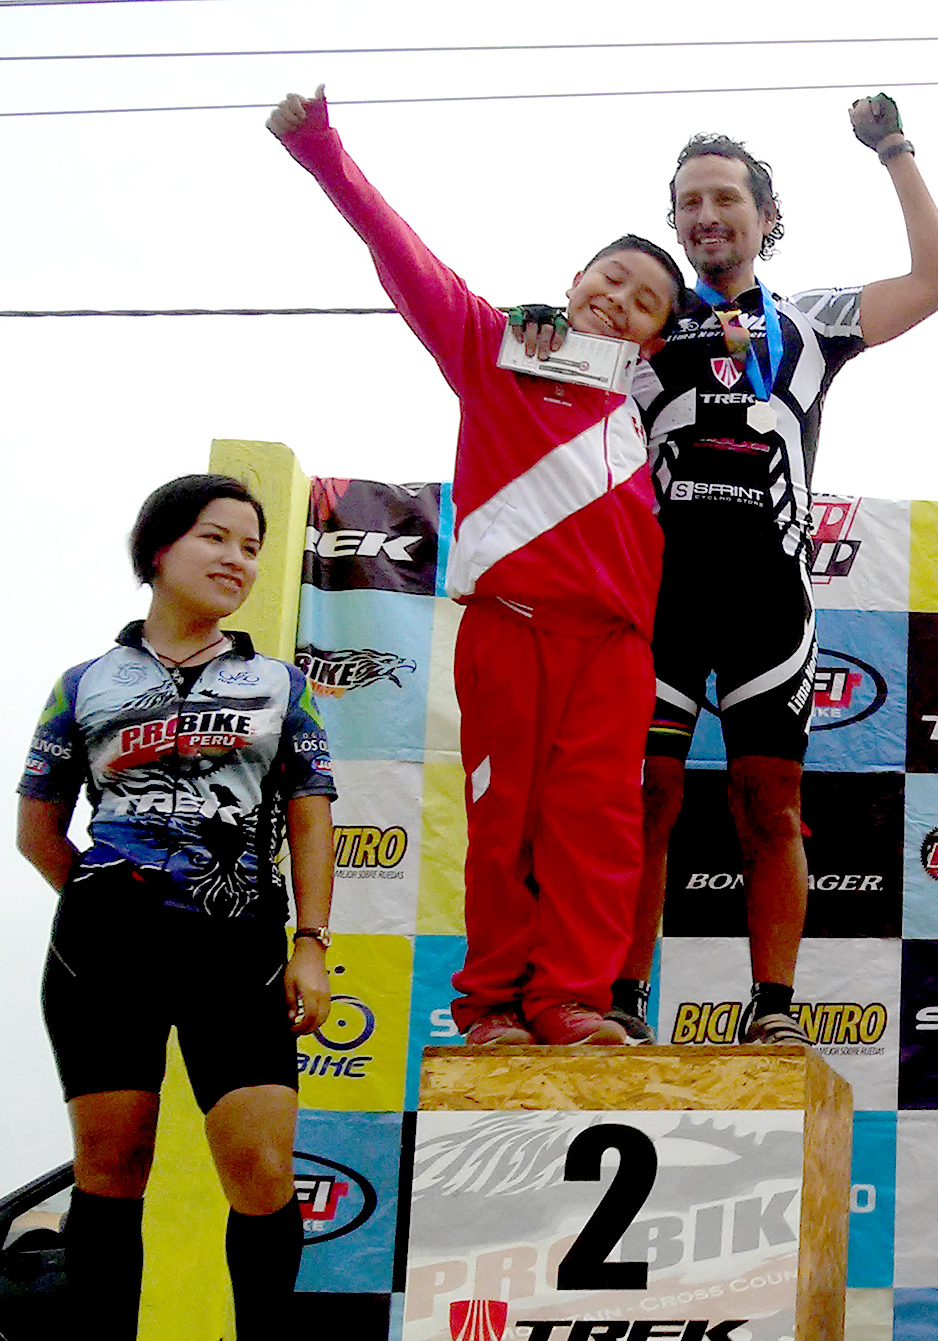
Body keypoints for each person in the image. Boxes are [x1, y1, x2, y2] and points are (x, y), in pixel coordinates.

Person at [519, 97, 938, 1044]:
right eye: (689, 202)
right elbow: (532, 357)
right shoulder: (641, 322)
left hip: (770, 603)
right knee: (643, 802)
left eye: (725, 198)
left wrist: (893, 149)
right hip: (658, 600)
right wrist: (543, 321)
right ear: (675, 222)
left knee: (771, 806)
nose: (706, 215)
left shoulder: (811, 322)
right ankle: (619, 999)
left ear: (766, 217)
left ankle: (774, 1010)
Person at [270, 86, 683, 1048]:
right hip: (510, 631)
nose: (618, 301)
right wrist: (323, 150)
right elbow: (407, 260)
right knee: (504, 825)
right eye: (611, 278)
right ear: (574, 277)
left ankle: (572, 999)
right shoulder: (494, 349)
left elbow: (759, 347)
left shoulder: (648, 406)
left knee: (598, 830)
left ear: (656, 340)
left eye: (644, 303)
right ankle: (492, 1003)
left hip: (615, 653)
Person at [17, 474, 338, 1341]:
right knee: (112, 1168)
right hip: (103, 955)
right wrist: (109, 899)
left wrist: (311, 944)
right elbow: (37, 830)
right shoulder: (84, 684)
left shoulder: (280, 686)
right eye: (216, 537)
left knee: (261, 1165)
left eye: (252, 545)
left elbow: (310, 818)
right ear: (158, 550)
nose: (238, 559)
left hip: (236, 949)